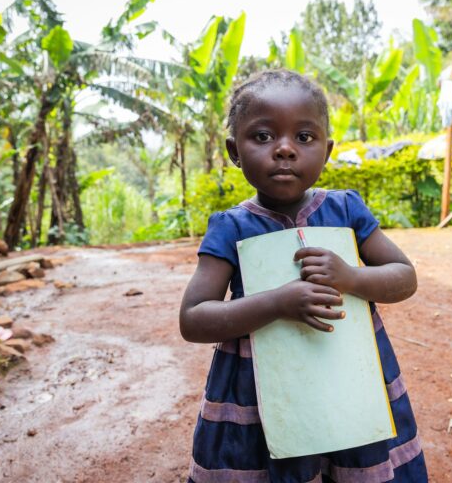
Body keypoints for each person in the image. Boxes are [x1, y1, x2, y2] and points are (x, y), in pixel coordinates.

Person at [180, 69, 428, 482]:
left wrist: (350, 278)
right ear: (233, 150)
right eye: (262, 136)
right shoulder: (231, 227)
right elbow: (193, 318)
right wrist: (277, 303)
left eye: (304, 137)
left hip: (350, 379)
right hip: (259, 392)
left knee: (353, 460)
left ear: (327, 150)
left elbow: (404, 277)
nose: (284, 150)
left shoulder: (346, 211)